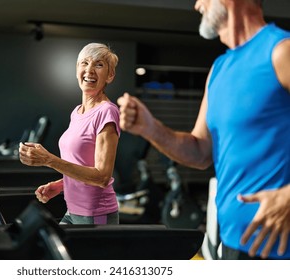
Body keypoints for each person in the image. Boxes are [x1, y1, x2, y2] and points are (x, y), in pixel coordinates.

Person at [118, 0, 290, 260]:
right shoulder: (219, 70)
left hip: (280, 248)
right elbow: (200, 152)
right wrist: (150, 128)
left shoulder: (281, 51)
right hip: (234, 243)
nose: (198, 5)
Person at [19, 43, 121, 225]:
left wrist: (48, 160)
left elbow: (102, 177)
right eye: (84, 63)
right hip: (72, 210)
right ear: (76, 70)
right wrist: (60, 186)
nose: (89, 70)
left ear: (110, 75)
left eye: (99, 65)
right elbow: (83, 165)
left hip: (96, 215)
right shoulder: (77, 112)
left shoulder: (107, 112)